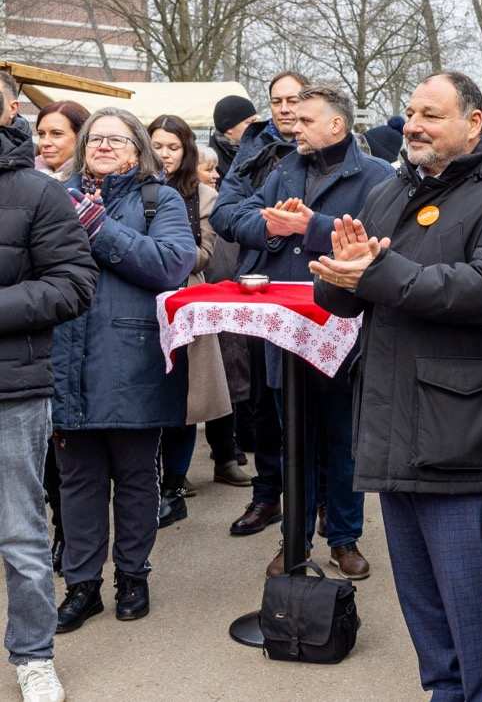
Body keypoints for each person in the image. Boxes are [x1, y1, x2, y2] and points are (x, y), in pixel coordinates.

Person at [313, 71, 482, 702]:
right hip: (392, 431)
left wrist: (376, 272)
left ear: (474, 123)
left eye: (431, 115)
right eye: (410, 112)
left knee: (470, 608)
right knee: (424, 612)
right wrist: (339, 276)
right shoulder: (392, 189)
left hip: (460, 434)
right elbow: (345, 294)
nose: (413, 124)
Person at [230, 85, 393, 579]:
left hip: (344, 326)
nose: (293, 126)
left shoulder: (377, 175)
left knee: (344, 440)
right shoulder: (284, 169)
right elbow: (238, 215)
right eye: (292, 119)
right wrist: (270, 227)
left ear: (337, 126)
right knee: (293, 441)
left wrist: (311, 226)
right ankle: (294, 540)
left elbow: (379, 240)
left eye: (305, 119)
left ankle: (344, 539)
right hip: (287, 329)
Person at [52, 108, 196, 633]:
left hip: (135, 357)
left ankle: (133, 577)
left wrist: (99, 228)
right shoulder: (54, 197)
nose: (105, 146)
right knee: (78, 480)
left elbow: (173, 264)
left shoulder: (161, 199)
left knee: (136, 477)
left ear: (139, 150)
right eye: (95, 138)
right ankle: (82, 585)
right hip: (67, 358)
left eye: (118, 139)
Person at [0, 110, 95, 702]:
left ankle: (33, 655)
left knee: (20, 533)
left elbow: (73, 283)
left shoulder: (37, 189)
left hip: (10, 390)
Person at [212, 73, 305, 539]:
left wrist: (306, 227)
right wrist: (273, 228)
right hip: (262, 289)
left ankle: (324, 504)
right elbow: (225, 215)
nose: (286, 109)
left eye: (294, 100)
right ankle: (267, 495)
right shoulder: (253, 150)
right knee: (265, 404)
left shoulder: (342, 146)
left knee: (317, 403)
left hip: (316, 288)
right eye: (277, 101)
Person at [147, 114, 246, 528]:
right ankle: (149, 481)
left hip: (186, 297)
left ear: (187, 151)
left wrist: (169, 252)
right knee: (147, 390)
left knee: (187, 394)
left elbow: (205, 253)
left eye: (173, 147)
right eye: (157, 145)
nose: (164, 154)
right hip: (140, 300)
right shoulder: (130, 188)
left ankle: (174, 480)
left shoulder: (202, 195)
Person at [33, 102, 89, 180]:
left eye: (56, 134)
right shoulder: (23, 175)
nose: (45, 143)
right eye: (41, 134)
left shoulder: (91, 185)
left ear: (81, 137)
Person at [209, 95, 259, 179]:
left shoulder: (261, 150)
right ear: (229, 128)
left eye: (256, 121)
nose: (256, 126)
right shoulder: (208, 161)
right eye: (249, 122)